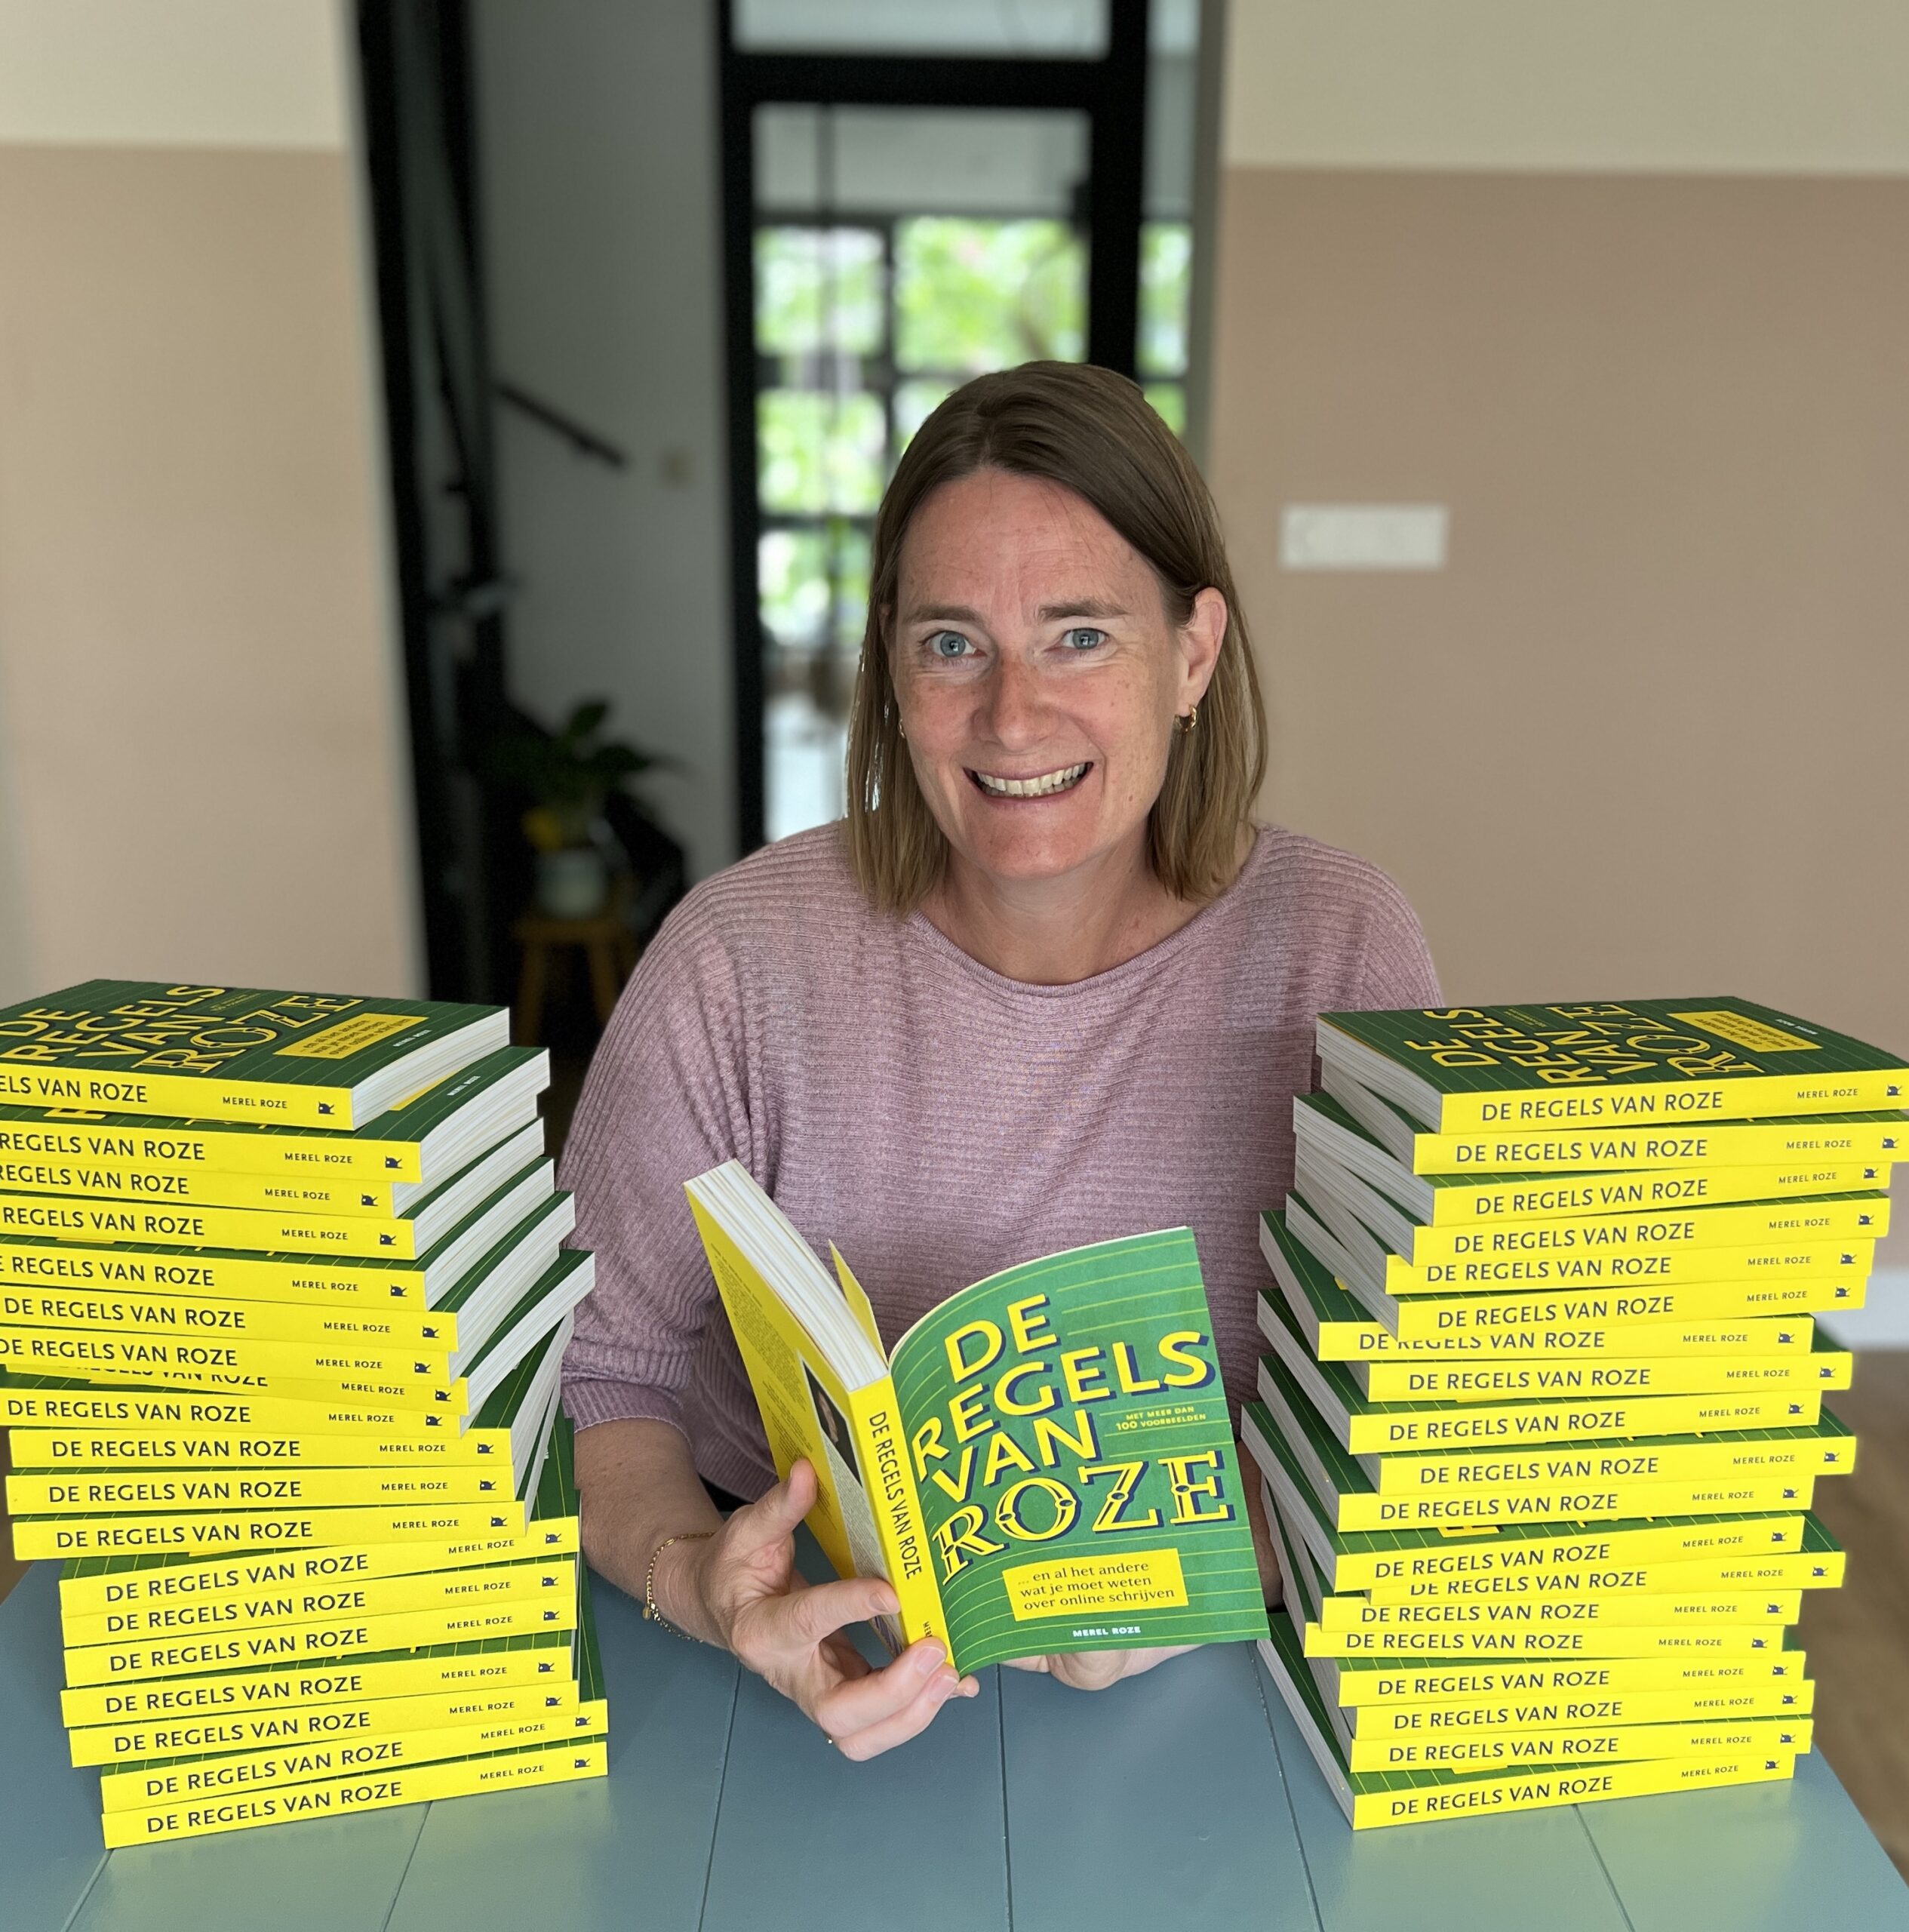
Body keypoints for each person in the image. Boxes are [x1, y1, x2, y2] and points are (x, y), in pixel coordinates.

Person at [561, 361, 1439, 1761]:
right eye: (952, 644)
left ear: (1194, 653)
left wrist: (1217, 1577)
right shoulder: (733, 954)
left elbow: (1408, 1398)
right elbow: (603, 1378)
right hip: (777, 1683)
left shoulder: (1338, 947)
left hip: (1209, 1696)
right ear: (890, 673)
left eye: (1080, 636)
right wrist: (699, 1579)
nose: (1013, 718)